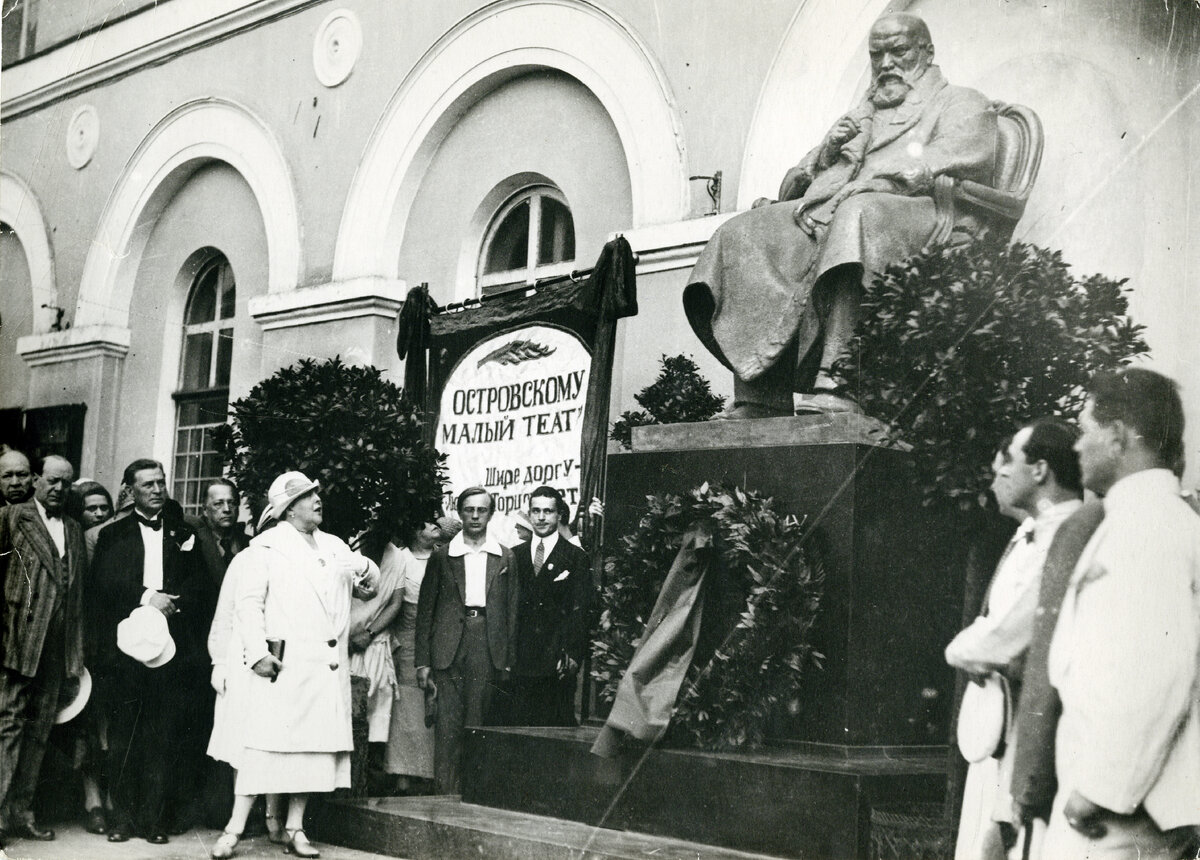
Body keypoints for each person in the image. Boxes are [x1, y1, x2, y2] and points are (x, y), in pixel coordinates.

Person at [684, 13, 997, 417]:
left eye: (898, 51)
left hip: (920, 212)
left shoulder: (960, 101)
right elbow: (794, 186)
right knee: (741, 232)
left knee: (857, 215)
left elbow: (964, 152)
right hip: (837, 210)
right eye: (877, 55)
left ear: (927, 51)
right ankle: (760, 393)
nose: (886, 65)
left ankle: (841, 379)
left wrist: (889, 177)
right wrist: (828, 151)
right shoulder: (861, 115)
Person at [1042, 369, 1200, 860]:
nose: (1077, 446)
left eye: (1085, 429)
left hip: (1119, 818)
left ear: (1117, 436)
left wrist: (1100, 792)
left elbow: (1157, 671)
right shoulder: (1142, 518)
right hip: (1119, 806)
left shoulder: (1149, 524)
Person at [212, 471, 378, 859]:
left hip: (323, 668)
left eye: (317, 494)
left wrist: (363, 567)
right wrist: (256, 654)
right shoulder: (265, 548)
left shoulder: (335, 546)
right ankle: (233, 829)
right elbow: (247, 605)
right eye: (307, 496)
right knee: (262, 750)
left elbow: (368, 587)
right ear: (287, 510)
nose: (318, 500)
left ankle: (295, 828)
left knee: (311, 752)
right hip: (283, 667)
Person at [946, 419, 1082, 860]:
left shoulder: (1064, 535)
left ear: (1041, 470)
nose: (998, 479)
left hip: (1034, 723)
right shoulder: (1039, 532)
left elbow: (1003, 634)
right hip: (1007, 720)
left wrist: (962, 651)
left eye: (1008, 466)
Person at [90, 459, 214, 844]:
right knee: (126, 732)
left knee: (163, 733)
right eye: (148, 484)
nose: (158, 489)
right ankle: (123, 820)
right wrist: (148, 598)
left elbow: (201, 584)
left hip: (172, 648)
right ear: (130, 490)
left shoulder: (183, 532)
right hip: (128, 648)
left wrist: (177, 603)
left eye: (161, 483)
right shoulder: (114, 535)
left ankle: (154, 820)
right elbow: (105, 586)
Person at [0, 455, 86, 842]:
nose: (58, 489)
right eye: (51, 481)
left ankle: (22, 812)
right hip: (16, 642)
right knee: (8, 729)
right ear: (36, 480)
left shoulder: (73, 527)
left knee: (39, 733)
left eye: (65, 483)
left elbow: (77, 595)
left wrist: (74, 651)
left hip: (55, 647)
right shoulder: (12, 517)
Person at [414, 488, 518, 794]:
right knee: (447, 727)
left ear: (491, 513)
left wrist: (507, 660)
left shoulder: (504, 556)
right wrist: (423, 661)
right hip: (447, 648)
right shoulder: (443, 556)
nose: (475, 516)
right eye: (469, 510)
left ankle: (472, 795)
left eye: (481, 510)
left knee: (478, 723)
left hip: (485, 644)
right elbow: (425, 612)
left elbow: (512, 613)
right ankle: (445, 794)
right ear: (460, 513)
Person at [206, 535, 284, 854]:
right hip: (246, 664)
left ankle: (275, 819)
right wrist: (219, 661)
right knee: (246, 744)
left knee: (282, 742)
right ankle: (236, 826)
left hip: (288, 662)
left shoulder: (302, 559)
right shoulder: (246, 560)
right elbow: (225, 614)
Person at [510, 487, 593, 727]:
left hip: (556, 663)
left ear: (559, 515)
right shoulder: (514, 556)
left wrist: (573, 656)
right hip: (520, 662)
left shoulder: (575, 557)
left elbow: (582, 610)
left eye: (548, 511)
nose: (541, 517)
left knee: (554, 736)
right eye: (536, 511)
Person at [383, 520, 450, 791]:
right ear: (413, 530)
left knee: (434, 702)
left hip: (439, 638)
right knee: (407, 708)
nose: (435, 526)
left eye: (437, 521)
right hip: (407, 638)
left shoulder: (442, 556)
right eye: (427, 523)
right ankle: (403, 774)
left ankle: (429, 773)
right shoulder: (401, 559)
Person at [188, 479, 249, 591]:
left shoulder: (250, 545)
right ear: (205, 510)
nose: (227, 509)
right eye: (218, 504)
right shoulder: (192, 545)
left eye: (232, 503)